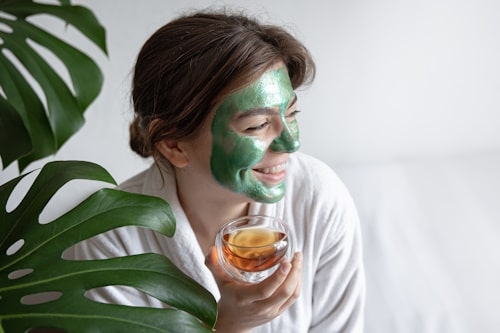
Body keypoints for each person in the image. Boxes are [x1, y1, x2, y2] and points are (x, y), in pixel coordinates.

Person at [73, 9, 365, 332]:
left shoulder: (317, 200)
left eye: (292, 114)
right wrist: (226, 325)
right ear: (174, 145)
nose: (291, 143)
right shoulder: (112, 239)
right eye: (257, 126)